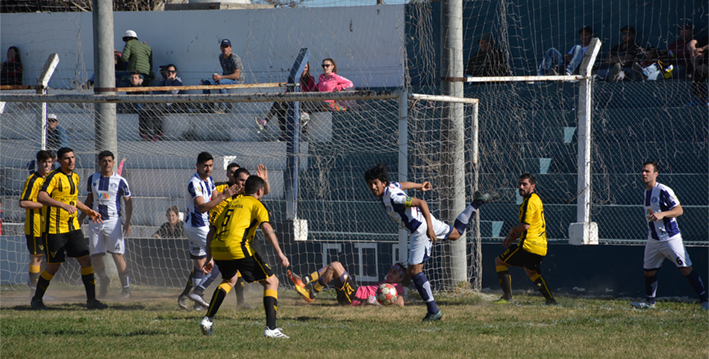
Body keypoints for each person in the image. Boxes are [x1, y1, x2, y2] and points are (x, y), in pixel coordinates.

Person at [363, 163, 497, 321]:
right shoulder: (390, 188)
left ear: (383, 183)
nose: (373, 187)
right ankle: (476, 203)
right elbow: (402, 184)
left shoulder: (393, 196)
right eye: (370, 184)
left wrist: (430, 229)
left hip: (421, 229)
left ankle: (433, 311)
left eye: (375, 183)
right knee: (456, 233)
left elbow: (422, 203)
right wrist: (420, 185)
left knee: (414, 271)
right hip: (425, 222)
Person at [199, 175, 291, 338]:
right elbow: (266, 228)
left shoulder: (230, 204)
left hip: (218, 247)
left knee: (229, 280)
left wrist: (209, 257)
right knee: (272, 281)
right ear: (260, 191)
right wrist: (280, 253)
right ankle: (271, 328)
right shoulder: (257, 204)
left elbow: (212, 231)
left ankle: (207, 319)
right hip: (237, 247)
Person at [31, 147, 106, 310]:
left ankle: (91, 300)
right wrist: (62, 205)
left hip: (72, 227)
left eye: (72, 157)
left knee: (86, 260)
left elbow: (72, 200)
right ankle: (36, 299)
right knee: (53, 265)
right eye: (67, 158)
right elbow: (41, 196)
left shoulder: (76, 177)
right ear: (59, 160)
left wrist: (88, 210)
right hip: (54, 229)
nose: (71, 161)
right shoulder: (53, 177)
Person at [630, 162, 708, 310]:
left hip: (670, 238)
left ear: (655, 174)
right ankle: (650, 303)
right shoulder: (646, 192)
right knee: (648, 270)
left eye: (647, 171)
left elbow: (679, 210)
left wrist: (662, 214)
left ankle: (704, 300)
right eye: (642, 171)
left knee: (685, 268)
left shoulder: (663, 190)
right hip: (653, 239)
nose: (644, 174)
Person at [177, 152, 238, 311]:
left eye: (210, 166)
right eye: (205, 166)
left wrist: (229, 197)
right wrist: (224, 196)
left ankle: (197, 304)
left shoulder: (208, 179)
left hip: (197, 227)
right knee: (218, 257)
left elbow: (215, 196)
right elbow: (202, 206)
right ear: (197, 166)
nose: (208, 169)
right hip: (198, 227)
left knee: (199, 263)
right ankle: (198, 292)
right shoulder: (194, 183)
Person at [494, 173, 557, 306]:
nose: (521, 187)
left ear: (532, 186)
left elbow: (525, 226)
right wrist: (514, 237)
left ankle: (507, 297)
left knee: (499, 261)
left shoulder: (529, 202)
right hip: (541, 247)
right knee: (531, 271)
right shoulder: (536, 199)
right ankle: (550, 300)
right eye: (520, 184)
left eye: (525, 184)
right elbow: (532, 228)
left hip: (528, 246)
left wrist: (512, 231)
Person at [78, 150, 133, 299]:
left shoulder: (120, 181)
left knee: (117, 255)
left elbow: (128, 203)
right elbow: (89, 200)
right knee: (95, 256)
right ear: (99, 163)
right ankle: (104, 280)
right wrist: (81, 217)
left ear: (113, 163)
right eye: (104, 161)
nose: (107, 163)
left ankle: (126, 289)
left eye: (109, 161)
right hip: (95, 222)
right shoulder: (92, 179)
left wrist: (127, 223)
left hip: (113, 222)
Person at [288, 262, 409, 307]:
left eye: (395, 273)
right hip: (353, 292)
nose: (390, 274)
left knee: (335, 266)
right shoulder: (385, 283)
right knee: (334, 265)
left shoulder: (396, 287)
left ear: (401, 278)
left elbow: (400, 303)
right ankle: (304, 281)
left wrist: (376, 302)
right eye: (390, 271)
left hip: (354, 296)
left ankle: (312, 294)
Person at [19, 151, 54, 296]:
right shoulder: (33, 180)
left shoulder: (52, 179)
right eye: (44, 161)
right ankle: (35, 291)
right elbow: (23, 202)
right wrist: (44, 204)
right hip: (35, 226)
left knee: (51, 257)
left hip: (50, 225)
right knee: (37, 257)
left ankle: (35, 283)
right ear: (38, 163)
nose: (47, 164)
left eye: (50, 161)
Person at [255, 61, 318, 141]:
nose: (303, 70)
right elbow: (288, 91)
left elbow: (307, 92)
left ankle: (268, 123)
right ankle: (271, 125)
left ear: (308, 68)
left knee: (280, 104)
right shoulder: (294, 78)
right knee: (279, 105)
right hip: (292, 100)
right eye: (302, 68)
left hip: (303, 102)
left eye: (305, 68)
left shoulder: (310, 79)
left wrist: (300, 83)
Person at [200, 39, 244, 113]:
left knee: (221, 83)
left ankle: (223, 107)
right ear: (220, 48)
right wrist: (216, 78)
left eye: (226, 46)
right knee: (206, 83)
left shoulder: (235, 58)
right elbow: (225, 71)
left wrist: (221, 78)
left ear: (230, 48)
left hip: (237, 80)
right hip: (226, 79)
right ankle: (207, 106)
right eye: (223, 47)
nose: (224, 49)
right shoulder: (221, 57)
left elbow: (237, 75)